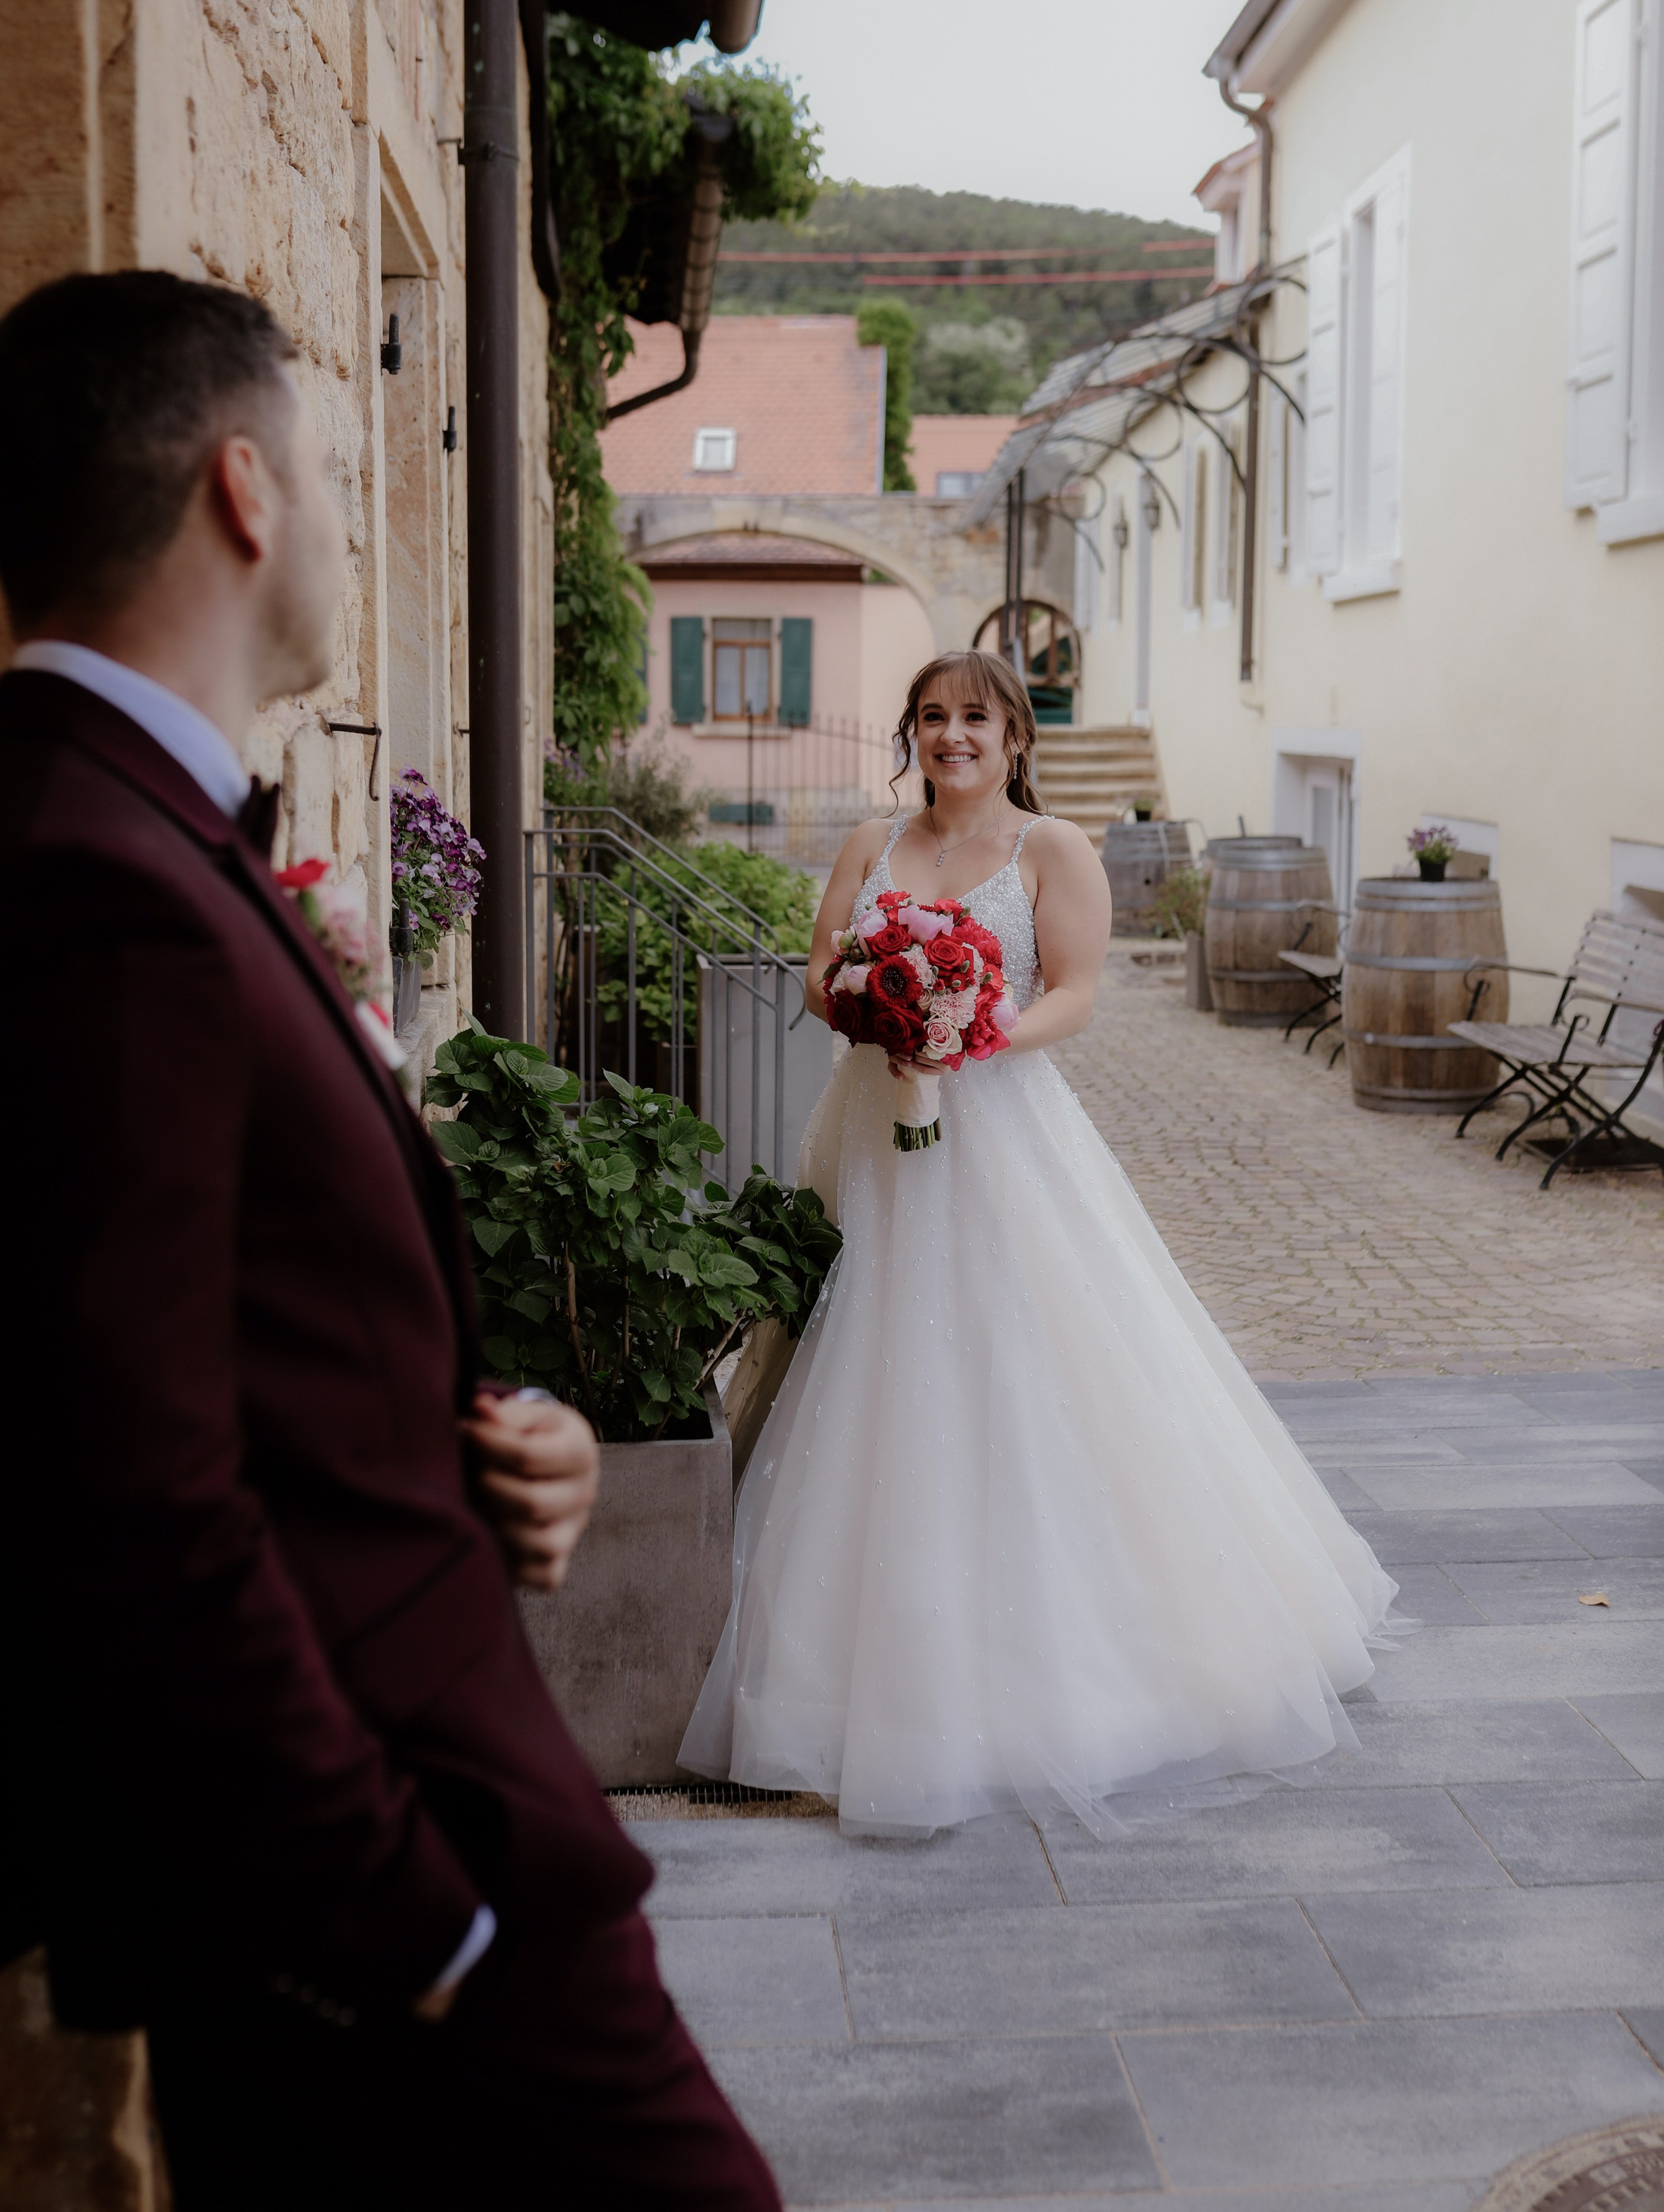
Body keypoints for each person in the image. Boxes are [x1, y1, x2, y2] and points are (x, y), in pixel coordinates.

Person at [0, 270, 779, 2211]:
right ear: (247, 492)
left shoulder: (133, 836)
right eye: (339, 472)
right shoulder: (106, 887)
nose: (351, 519)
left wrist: (471, 1437)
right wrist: (408, 1922)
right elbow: (129, 1495)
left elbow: (205, 1342)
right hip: (397, 1879)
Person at [680, 648, 1407, 1835]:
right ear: (910, 734)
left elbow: (1074, 991)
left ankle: (1075, 1666)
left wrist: (971, 1030)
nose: (950, 735)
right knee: (862, 1357)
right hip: (872, 1133)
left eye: (975, 717)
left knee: (1025, 1363)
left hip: (1001, 1133)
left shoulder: (1052, 850)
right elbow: (819, 973)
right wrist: (868, 1004)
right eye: (931, 717)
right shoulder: (871, 846)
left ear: (1015, 736)